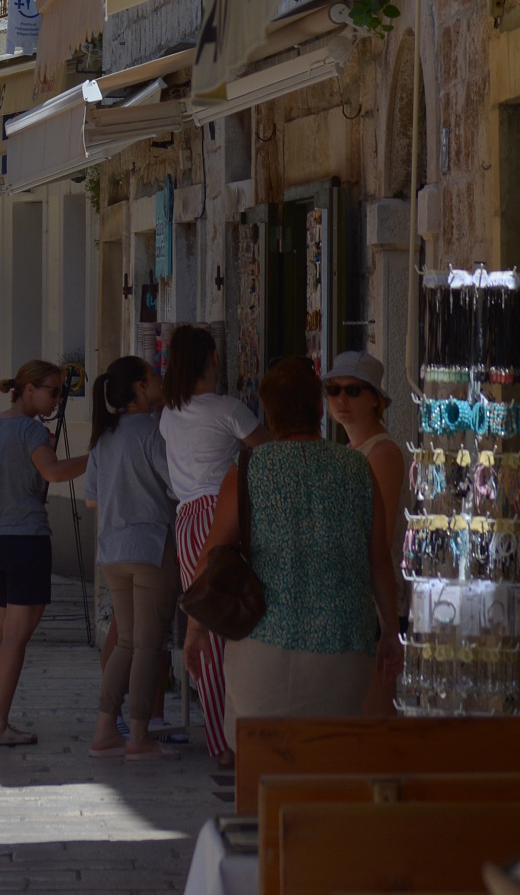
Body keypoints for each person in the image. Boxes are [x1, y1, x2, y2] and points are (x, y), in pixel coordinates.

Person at [185, 354, 402, 738]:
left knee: (262, 758)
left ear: (268, 412)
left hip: (264, 639)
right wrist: (390, 633)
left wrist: (195, 626)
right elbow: (379, 561)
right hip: (344, 642)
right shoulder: (357, 468)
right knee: (332, 757)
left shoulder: (248, 467)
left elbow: (212, 553)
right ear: (319, 408)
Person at [0, 359, 86, 748]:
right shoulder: (30, 430)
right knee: (15, 637)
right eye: (53, 391)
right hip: (27, 541)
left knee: (1, 634)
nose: (58, 400)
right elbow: (53, 473)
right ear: (29, 390)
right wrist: (95, 459)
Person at [156, 325, 269, 766]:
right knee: (232, 623)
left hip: (186, 519)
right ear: (214, 358)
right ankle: (234, 736)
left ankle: (221, 740)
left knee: (204, 618)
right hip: (221, 513)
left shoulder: (169, 414)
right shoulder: (228, 409)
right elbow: (267, 449)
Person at [83, 356, 179, 761]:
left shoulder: (103, 438)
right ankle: (139, 735)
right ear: (140, 387)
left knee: (124, 641)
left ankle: (105, 729)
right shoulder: (152, 432)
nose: (159, 381)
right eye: (153, 376)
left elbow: (91, 499)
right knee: (148, 645)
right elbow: (176, 484)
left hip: (111, 550)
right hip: (151, 547)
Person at [323, 350, 406, 589]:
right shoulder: (350, 451)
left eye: (353, 390)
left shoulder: (382, 453)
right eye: (334, 390)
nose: (341, 399)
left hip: (374, 592)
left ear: (374, 399)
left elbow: (381, 542)